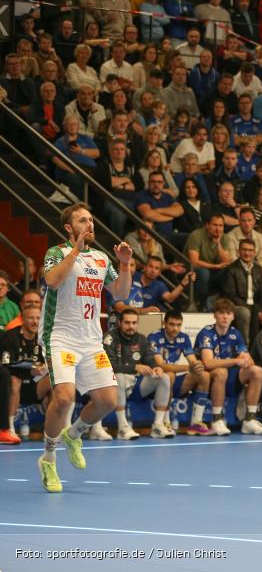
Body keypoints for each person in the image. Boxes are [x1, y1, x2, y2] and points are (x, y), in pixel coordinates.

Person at [37, 203, 134, 492]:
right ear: (69, 227)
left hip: (91, 340)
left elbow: (121, 293)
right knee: (64, 398)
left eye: (90, 220)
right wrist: (75, 251)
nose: (89, 224)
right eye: (82, 220)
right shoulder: (57, 252)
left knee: (108, 400)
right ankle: (48, 458)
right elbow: (52, 281)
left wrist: (125, 264)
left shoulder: (101, 258)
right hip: (60, 337)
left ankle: (74, 434)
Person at [195, 298, 262, 436]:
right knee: (221, 372)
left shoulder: (235, 333)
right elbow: (208, 363)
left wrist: (246, 360)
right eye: (221, 313)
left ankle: (249, 420)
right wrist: (235, 361)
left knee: (256, 371)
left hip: (231, 379)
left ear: (233, 316)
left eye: (228, 313)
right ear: (214, 315)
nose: (225, 317)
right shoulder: (206, 333)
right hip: (208, 380)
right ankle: (217, 420)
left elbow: (248, 360)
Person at [102, 308, 175, 440]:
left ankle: (158, 426)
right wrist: (135, 367)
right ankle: (122, 428)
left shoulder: (141, 339)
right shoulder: (110, 337)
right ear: (119, 323)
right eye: (127, 323)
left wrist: (156, 368)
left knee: (164, 377)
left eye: (134, 323)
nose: (131, 326)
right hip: (115, 386)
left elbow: (149, 360)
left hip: (135, 386)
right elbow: (109, 365)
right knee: (118, 376)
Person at [148, 310, 213, 436]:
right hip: (156, 382)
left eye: (178, 325)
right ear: (164, 323)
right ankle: (165, 422)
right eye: (172, 324)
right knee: (169, 375)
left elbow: (193, 361)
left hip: (175, 383)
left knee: (204, 375)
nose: (175, 328)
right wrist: (189, 367)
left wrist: (197, 366)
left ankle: (196, 423)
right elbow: (161, 365)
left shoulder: (183, 338)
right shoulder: (154, 337)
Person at [0, 305, 49, 445]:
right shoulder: (10, 337)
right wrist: (30, 370)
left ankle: (50, 431)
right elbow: (5, 367)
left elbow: (46, 362)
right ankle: (9, 428)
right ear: (22, 319)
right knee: (15, 380)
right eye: (31, 318)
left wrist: (43, 368)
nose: (35, 321)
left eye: (38, 318)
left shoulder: (42, 338)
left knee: (55, 382)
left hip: (34, 384)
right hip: (13, 386)